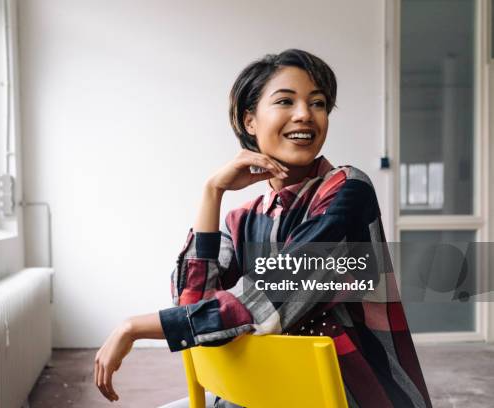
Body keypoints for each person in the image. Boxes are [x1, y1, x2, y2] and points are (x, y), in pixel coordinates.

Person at [94, 49, 432, 408]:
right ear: (250, 121)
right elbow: (192, 303)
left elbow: (267, 303)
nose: (305, 115)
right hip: (265, 388)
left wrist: (134, 327)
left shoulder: (349, 191)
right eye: (286, 101)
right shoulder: (244, 217)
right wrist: (213, 192)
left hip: (350, 394)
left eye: (317, 104)